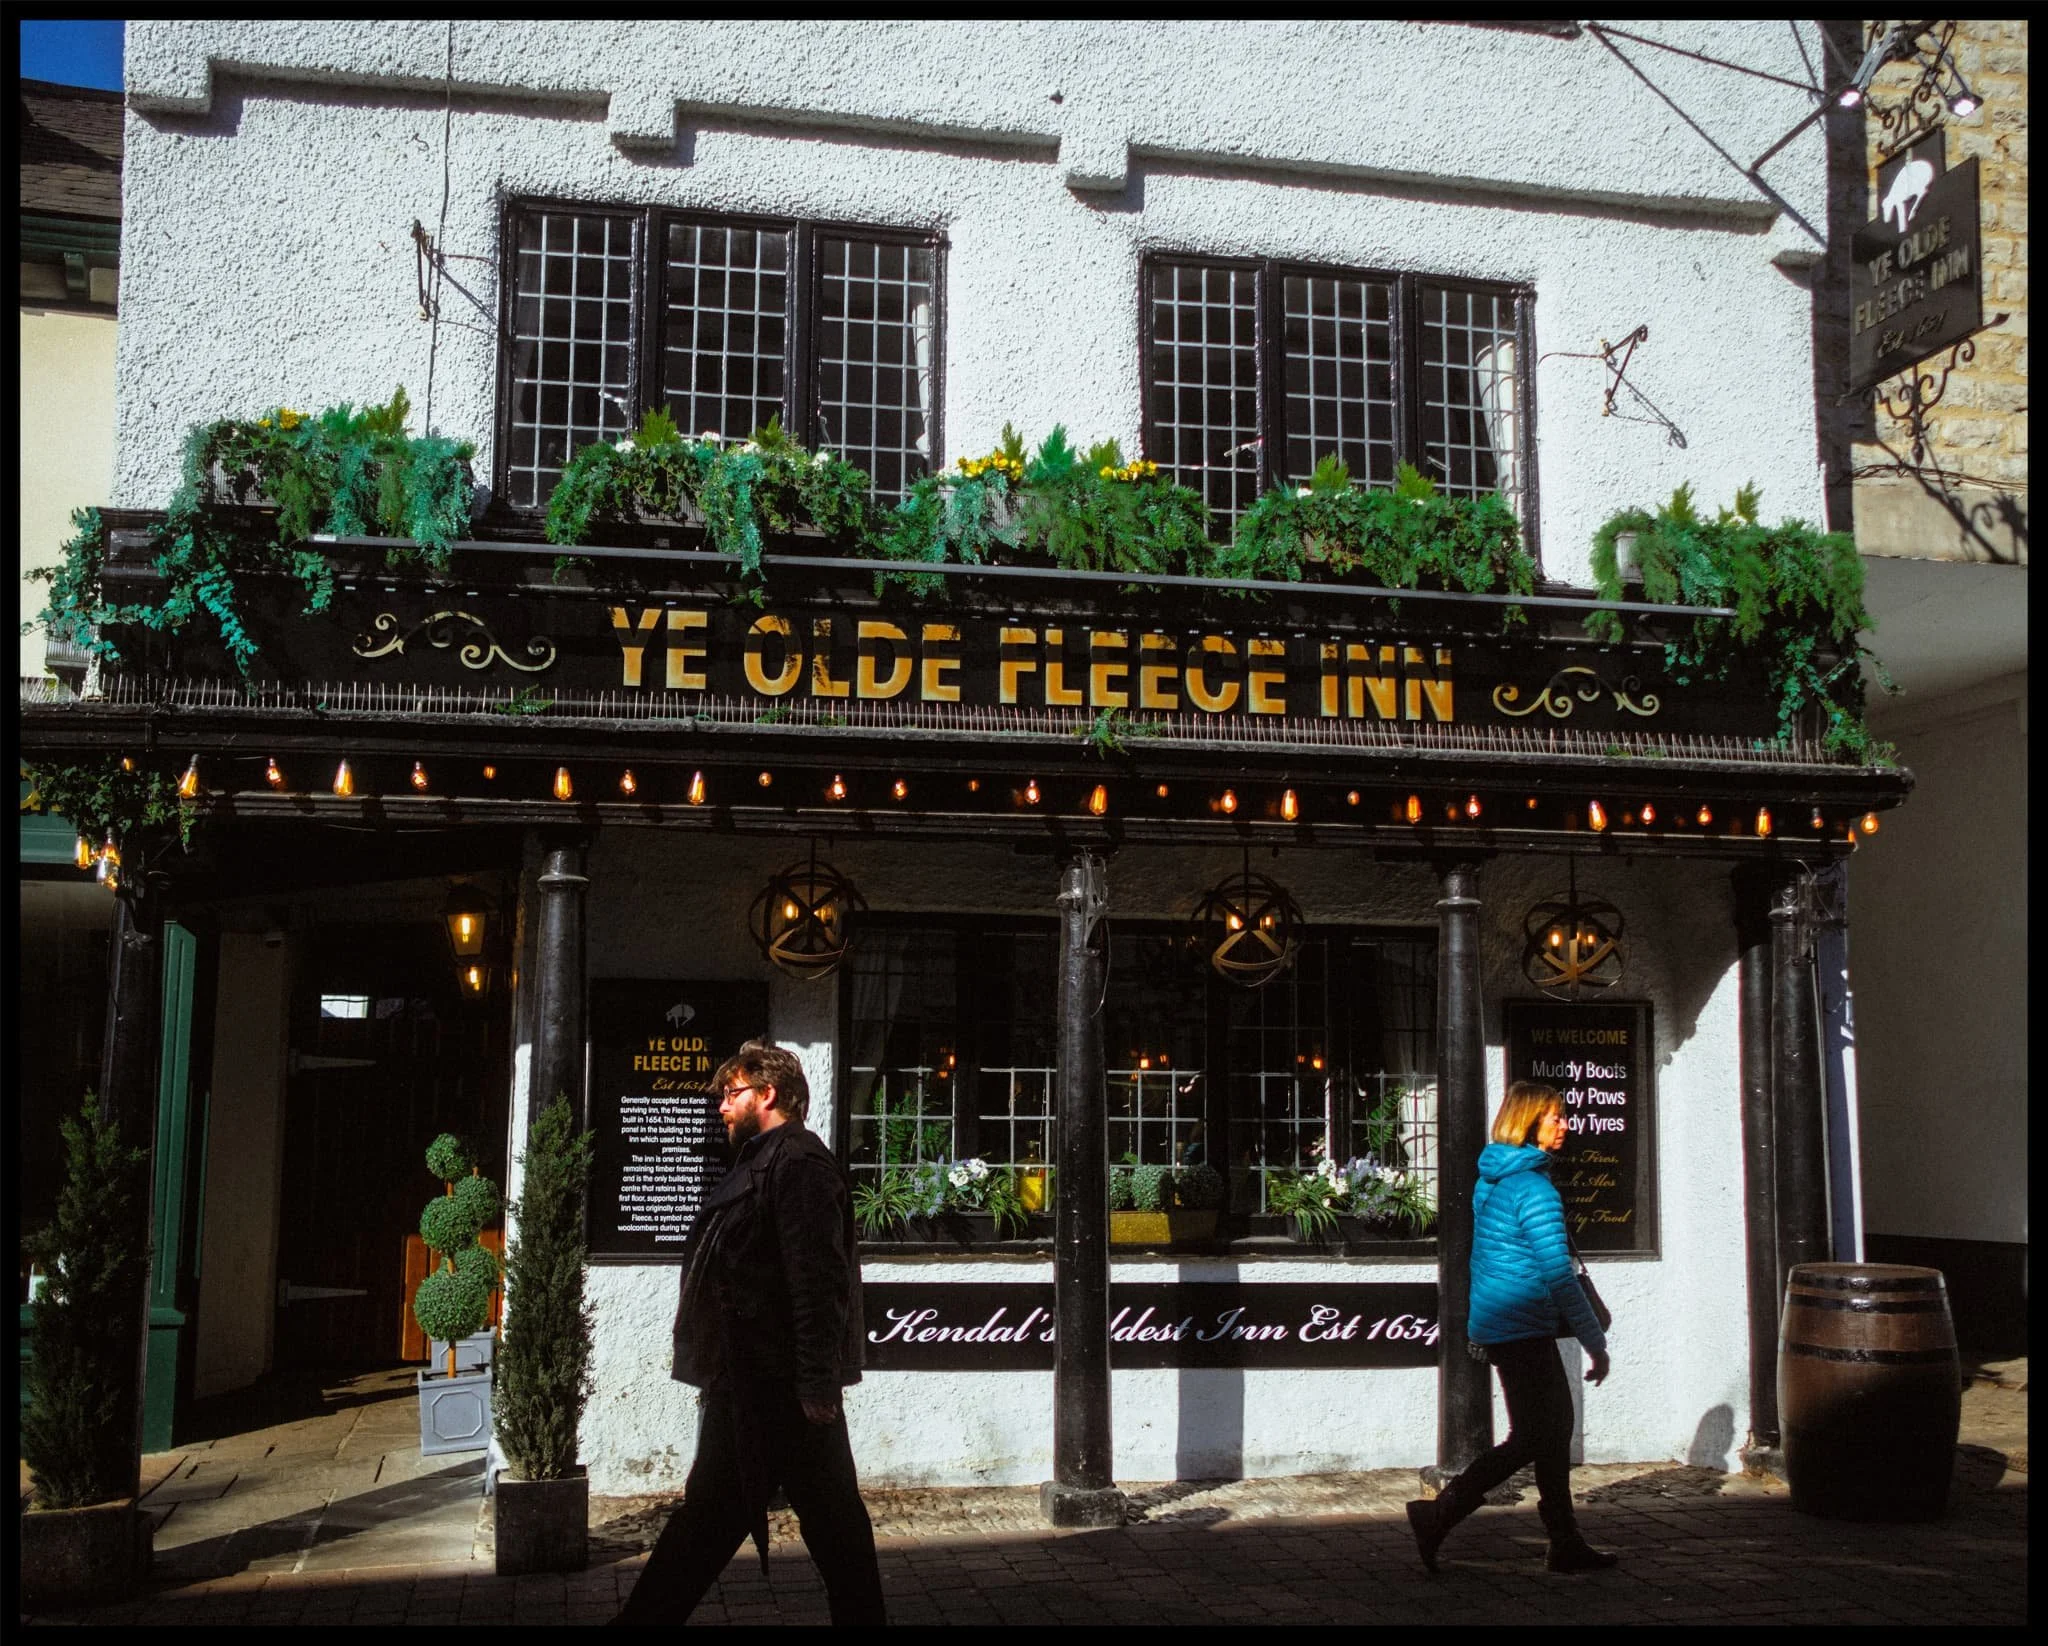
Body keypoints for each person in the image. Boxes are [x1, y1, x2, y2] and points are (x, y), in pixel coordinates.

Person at [612, 1041, 886, 1625]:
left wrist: (815, 1383)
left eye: (731, 1094)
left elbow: (818, 1281)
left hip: (777, 1385)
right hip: (755, 1378)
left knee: (733, 1518)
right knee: (800, 1519)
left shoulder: (800, 1165)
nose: (720, 1107)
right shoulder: (762, 1160)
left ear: (768, 1093)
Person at [1405, 1080, 1618, 1576]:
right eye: (1556, 1117)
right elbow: (1559, 1277)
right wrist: (1595, 1343)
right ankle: (1439, 1513)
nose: (1566, 1125)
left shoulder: (1493, 1177)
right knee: (1534, 1436)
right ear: (1529, 1121)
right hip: (1523, 1326)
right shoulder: (1535, 1189)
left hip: (1500, 1323)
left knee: (1549, 1430)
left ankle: (1564, 1541)